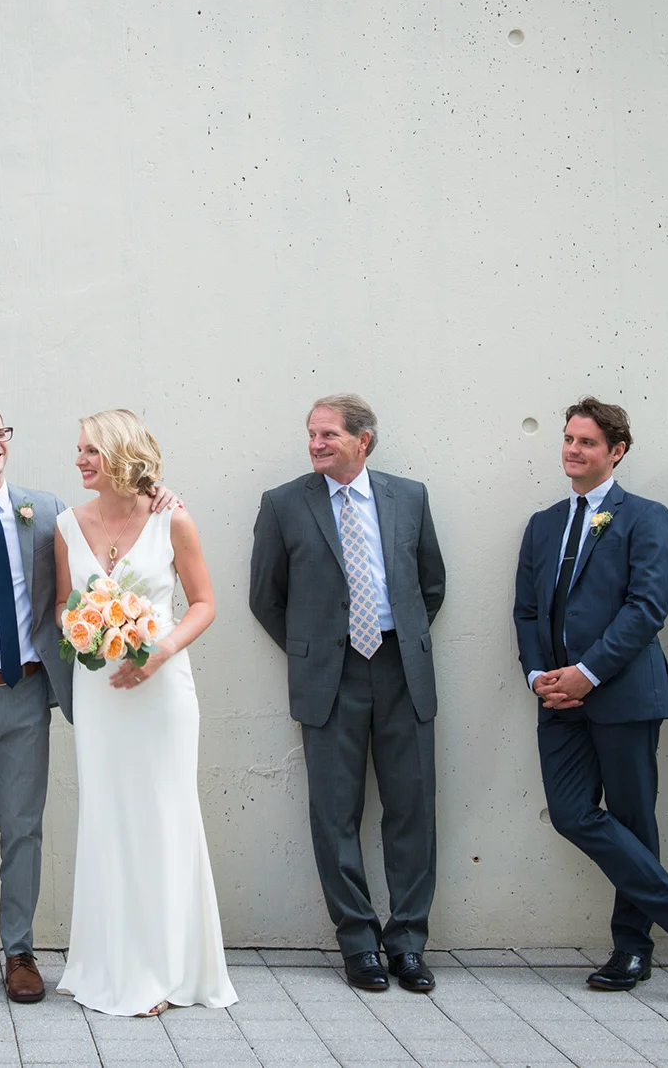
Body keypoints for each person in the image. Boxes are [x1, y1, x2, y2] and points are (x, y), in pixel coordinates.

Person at [0, 397, 175, 1005]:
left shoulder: (45, 510)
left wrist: (160, 496)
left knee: (23, 829)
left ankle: (20, 951)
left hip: (24, 696)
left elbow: (114, 520)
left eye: (0, 432)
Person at [512, 399, 668, 1003]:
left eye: (587, 442)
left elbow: (646, 609)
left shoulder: (646, 518)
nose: (572, 450)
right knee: (573, 813)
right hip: (557, 701)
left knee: (634, 819)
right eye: (568, 439)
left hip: (626, 695)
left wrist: (588, 672)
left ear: (616, 452)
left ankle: (633, 948)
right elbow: (527, 610)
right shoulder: (544, 523)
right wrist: (537, 676)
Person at [248, 394, 445, 993]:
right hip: (328, 679)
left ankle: (406, 943)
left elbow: (431, 584)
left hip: (399, 668)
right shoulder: (284, 504)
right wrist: (315, 650)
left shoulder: (408, 497)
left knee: (412, 811)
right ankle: (358, 942)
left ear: (364, 440)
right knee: (335, 815)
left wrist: (396, 639)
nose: (315, 444)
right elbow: (265, 597)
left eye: (328, 434)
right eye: (311, 434)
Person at [52, 410, 235, 1016]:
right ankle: (111, 964)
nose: (79, 460)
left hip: (161, 689)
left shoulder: (170, 517)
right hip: (99, 689)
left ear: (120, 454)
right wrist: (84, 628)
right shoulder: (66, 525)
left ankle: (166, 970)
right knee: (108, 818)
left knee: (164, 816)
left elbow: (204, 603)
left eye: (90, 451)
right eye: (78, 450)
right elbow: (60, 605)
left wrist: (159, 651)